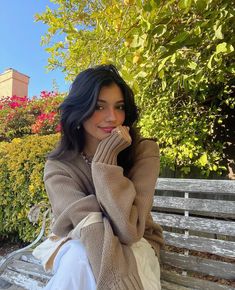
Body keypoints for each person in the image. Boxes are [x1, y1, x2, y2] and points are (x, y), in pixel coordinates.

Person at [33, 64, 164, 290]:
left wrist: (105, 163)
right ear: (79, 110)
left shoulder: (144, 151)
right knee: (78, 257)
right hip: (80, 240)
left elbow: (129, 230)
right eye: (98, 106)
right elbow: (88, 225)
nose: (112, 117)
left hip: (138, 243)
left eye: (119, 106)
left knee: (78, 261)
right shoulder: (59, 166)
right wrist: (113, 279)